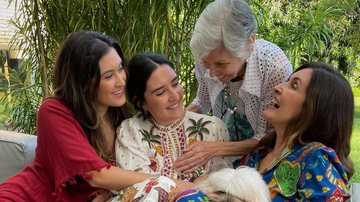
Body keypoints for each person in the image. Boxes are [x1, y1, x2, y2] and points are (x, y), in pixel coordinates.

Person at [0, 31, 191, 202]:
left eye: (120, 68)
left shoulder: (122, 117)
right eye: (108, 76)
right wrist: (168, 183)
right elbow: (97, 176)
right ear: (84, 83)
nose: (121, 80)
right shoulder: (53, 111)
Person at [174, 0, 293, 173]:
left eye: (221, 64)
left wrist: (213, 149)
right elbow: (202, 101)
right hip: (221, 158)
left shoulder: (273, 66)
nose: (212, 73)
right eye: (207, 63)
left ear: (249, 44)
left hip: (261, 162)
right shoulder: (205, 55)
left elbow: (267, 135)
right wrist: (170, 121)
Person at [241, 62, 354, 201]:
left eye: (294, 86)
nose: (277, 87)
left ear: (315, 109)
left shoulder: (315, 160)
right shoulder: (258, 154)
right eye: (287, 81)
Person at [115, 53, 232, 183]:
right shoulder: (131, 131)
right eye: (161, 92)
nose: (175, 96)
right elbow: (137, 189)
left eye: (175, 84)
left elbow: (227, 185)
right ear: (142, 103)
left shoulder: (213, 127)